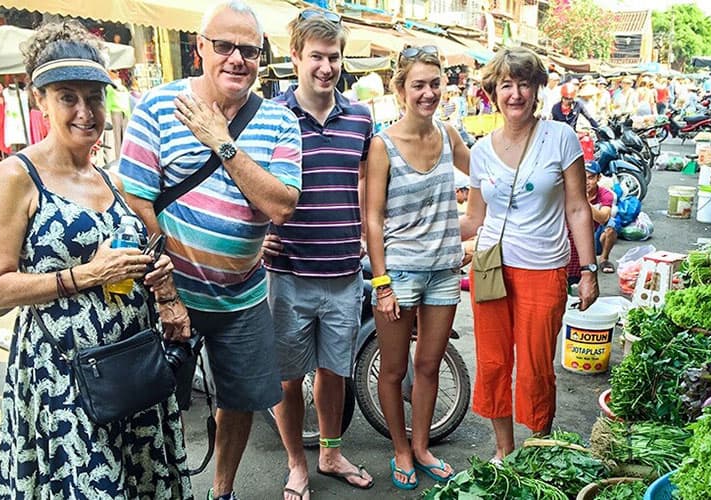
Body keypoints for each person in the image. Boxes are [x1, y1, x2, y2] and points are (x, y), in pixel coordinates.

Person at [0, 20, 192, 498]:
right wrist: (86, 275)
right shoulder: (17, 176)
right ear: (40, 100)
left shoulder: (108, 175)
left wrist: (158, 279)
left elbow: (131, 255)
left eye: (94, 96)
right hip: (64, 380)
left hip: (132, 374)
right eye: (67, 97)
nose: (84, 111)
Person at [118, 2, 303, 499]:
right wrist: (167, 284)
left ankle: (222, 491)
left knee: (240, 398)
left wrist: (222, 142)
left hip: (241, 297)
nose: (236, 59)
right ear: (201, 47)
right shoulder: (159, 106)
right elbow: (133, 198)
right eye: (224, 45)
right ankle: (159, 488)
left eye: (249, 50)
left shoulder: (280, 121)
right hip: (166, 294)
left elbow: (282, 204)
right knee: (152, 401)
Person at [459, 46, 598, 463]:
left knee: (537, 366)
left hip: (544, 268)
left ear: (538, 89)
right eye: (506, 84)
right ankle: (504, 449)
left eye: (524, 83)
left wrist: (588, 270)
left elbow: (577, 207)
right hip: (490, 268)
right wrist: (425, 237)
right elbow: (475, 217)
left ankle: (538, 449)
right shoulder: (481, 150)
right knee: (494, 360)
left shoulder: (560, 137)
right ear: (493, 92)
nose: (515, 93)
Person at [263, 10, 375, 500]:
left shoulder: (361, 119)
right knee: (288, 379)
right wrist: (255, 232)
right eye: (316, 57)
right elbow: (247, 182)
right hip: (287, 274)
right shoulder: (271, 116)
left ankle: (329, 452)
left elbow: (369, 188)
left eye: (334, 57)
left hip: (345, 273)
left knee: (334, 372)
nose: (326, 67)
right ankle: (295, 464)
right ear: (295, 58)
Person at [365, 44, 470, 490]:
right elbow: (372, 218)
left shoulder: (449, 135)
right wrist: (382, 282)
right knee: (393, 370)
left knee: (428, 365)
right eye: (418, 85)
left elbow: (488, 173)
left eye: (434, 83)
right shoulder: (382, 145)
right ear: (400, 89)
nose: (428, 93)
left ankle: (423, 446)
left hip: (445, 270)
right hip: (400, 274)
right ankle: (401, 449)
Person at [584, 161, 618, 273]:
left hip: (595, 234)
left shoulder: (606, 194)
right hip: (577, 234)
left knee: (611, 225)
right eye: (583, 177)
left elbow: (603, 218)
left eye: (590, 178)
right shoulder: (571, 192)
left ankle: (604, 259)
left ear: (598, 178)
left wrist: (584, 201)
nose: (586, 182)